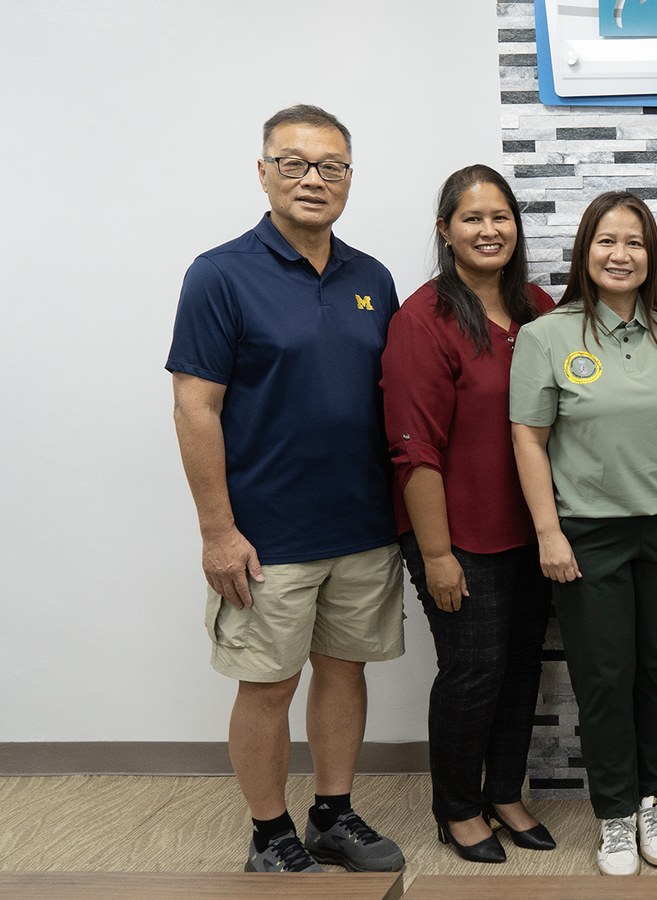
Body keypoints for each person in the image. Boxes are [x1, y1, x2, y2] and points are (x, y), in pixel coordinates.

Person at [167, 104, 406, 874]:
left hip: (363, 525)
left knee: (344, 672)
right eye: (295, 162)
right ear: (263, 170)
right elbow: (194, 405)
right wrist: (217, 531)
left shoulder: (372, 277)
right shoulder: (219, 273)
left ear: (348, 180)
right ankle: (270, 834)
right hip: (266, 535)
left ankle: (333, 814)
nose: (314, 179)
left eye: (331, 166)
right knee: (267, 686)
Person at [509, 191, 657, 877]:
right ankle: (615, 815)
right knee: (603, 677)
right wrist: (549, 532)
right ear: (584, 252)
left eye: (634, 242)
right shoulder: (548, 336)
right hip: (587, 534)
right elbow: (529, 441)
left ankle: (653, 800)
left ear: (650, 254)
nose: (620, 254)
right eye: (606, 241)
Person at [381, 165, 558, 864]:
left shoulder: (539, 308)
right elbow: (413, 452)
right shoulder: (423, 319)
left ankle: (505, 793)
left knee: (519, 668)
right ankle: (456, 807)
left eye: (501, 218)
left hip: (531, 530)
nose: (489, 230)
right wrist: (437, 555)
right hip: (458, 535)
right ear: (445, 231)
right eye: (472, 219)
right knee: (473, 670)